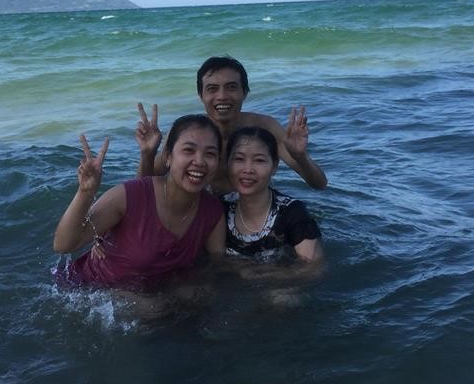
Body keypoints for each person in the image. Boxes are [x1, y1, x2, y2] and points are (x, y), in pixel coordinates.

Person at [53, 114, 227, 289]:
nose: (200, 161)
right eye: (189, 150)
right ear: (168, 156)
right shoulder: (127, 195)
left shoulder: (212, 212)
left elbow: (215, 266)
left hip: (150, 295)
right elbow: (64, 244)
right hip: (88, 290)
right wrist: (85, 192)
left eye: (210, 154)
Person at [136, 56, 327, 194]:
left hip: (251, 209)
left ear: (245, 92)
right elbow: (143, 188)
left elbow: (318, 184)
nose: (222, 96)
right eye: (212, 89)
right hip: (205, 209)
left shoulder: (265, 128)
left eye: (231, 87)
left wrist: (301, 156)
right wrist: (147, 154)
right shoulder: (188, 133)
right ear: (201, 96)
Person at [221, 126, 323, 264]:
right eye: (239, 159)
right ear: (227, 163)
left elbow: (313, 268)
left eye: (259, 160)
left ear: (274, 166)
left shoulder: (293, 212)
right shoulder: (220, 208)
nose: (248, 169)